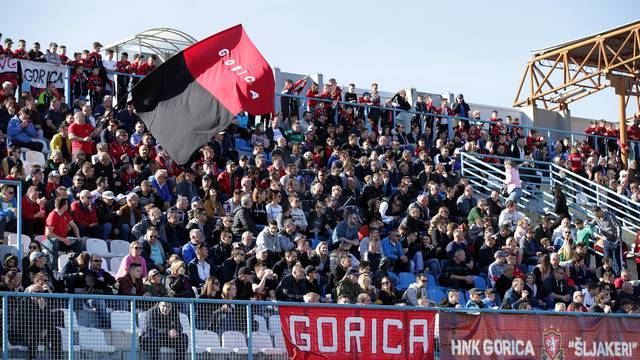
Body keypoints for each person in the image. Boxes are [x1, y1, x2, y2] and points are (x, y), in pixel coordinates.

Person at [42, 197, 83, 270]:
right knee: (54, 241)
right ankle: (54, 270)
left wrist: (78, 236)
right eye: (67, 204)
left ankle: (77, 268)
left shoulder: (65, 213)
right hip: (48, 242)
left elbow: (74, 225)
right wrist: (64, 240)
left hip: (61, 240)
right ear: (64, 205)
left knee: (78, 242)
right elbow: (48, 234)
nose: (68, 206)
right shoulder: (53, 215)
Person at [590, 206, 623, 276]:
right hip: (606, 241)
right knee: (606, 259)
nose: (595, 216)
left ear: (600, 211)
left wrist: (618, 237)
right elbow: (591, 225)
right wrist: (587, 223)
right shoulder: (596, 218)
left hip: (615, 240)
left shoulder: (610, 216)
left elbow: (618, 226)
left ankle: (617, 276)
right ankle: (607, 276)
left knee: (616, 260)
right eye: (594, 214)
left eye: (596, 214)